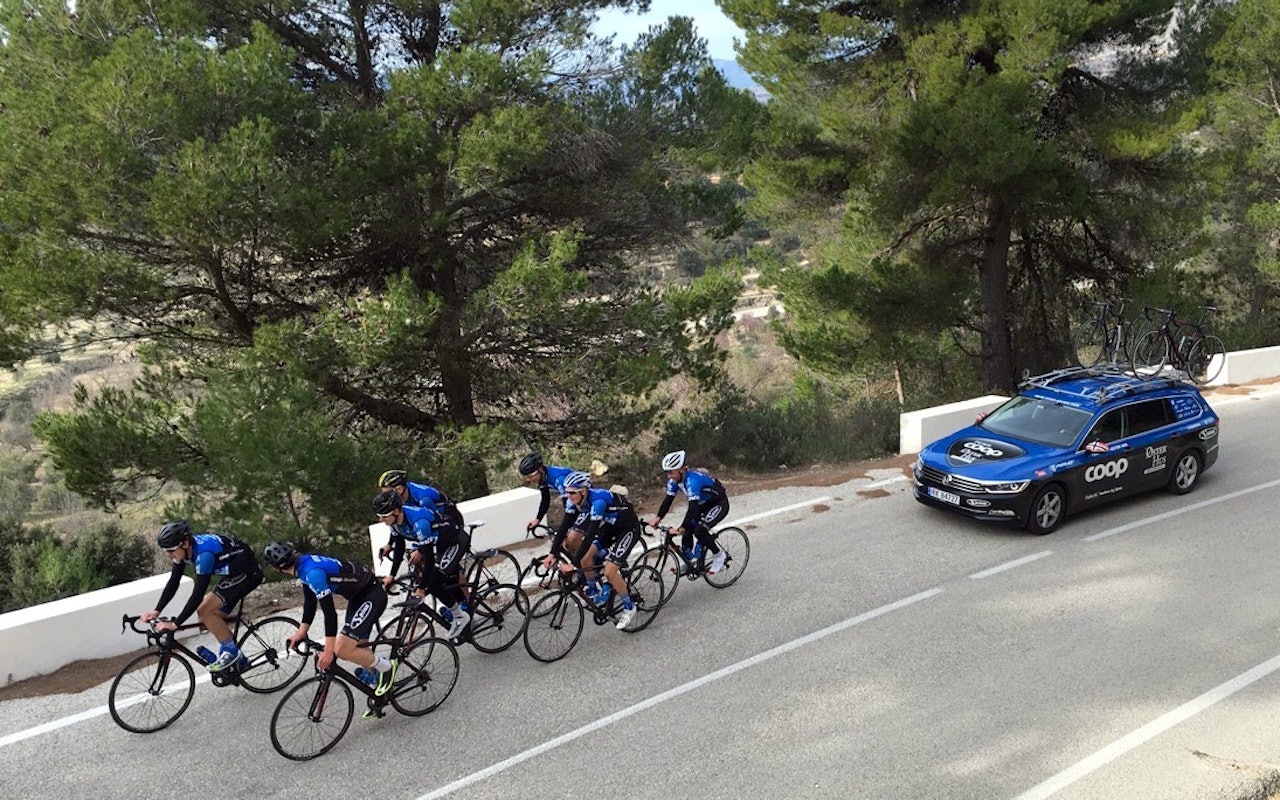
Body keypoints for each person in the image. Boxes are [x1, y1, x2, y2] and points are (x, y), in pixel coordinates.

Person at [262, 541, 398, 708]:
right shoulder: (303, 564)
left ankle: (387, 668)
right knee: (357, 646)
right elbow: (310, 602)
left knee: (342, 649)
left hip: (371, 595)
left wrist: (328, 651)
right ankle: (379, 686)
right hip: (359, 596)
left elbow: (330, 614)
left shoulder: (312, 573)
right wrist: (301, 632)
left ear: (275, 569)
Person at [140, 521, 264, 672]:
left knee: (204, 611)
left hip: (248, 574)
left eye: (171, 550)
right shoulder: (184, 550)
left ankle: (232, 652)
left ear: (185, 543)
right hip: (233, 572)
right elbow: (173, 582)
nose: (170, 555)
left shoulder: (204, 556)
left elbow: (197, 595)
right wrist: (156, 610)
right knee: (210, 617)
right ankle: (239, 661)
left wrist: (175, 624)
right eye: (167, 551)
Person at [542, 471, 640, 630]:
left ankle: (629, 607)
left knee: (609, 571)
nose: (568, 496)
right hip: (610, 527)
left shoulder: (598, 502)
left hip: (628, 529)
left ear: (583, 491)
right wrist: (552, 553)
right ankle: (593, 591)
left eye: (572, 493)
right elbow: (564, 526)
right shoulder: (574, 501)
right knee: (585, 558)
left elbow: (588, 536)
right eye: (567, 492)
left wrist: (573, 565)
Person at [372, 489, 471, 639]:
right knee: (433, 580)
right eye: (379, 516)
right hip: (438, 543)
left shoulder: (419, 523)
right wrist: (391, 575)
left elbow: (429, 560)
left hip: (454, 541)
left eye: (384, 516)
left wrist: (421, 590)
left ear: (396, 511)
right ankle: (457, 606)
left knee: (437, 579)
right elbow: (399, 547)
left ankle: (461, 615)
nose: (381, 520)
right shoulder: (394, 521)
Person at [645, 450, 730, 575]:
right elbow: (667, 501)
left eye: (671, 472)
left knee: (699, 530)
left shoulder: (693, 480)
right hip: (702, 505)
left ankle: (719, 556)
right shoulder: (674, 481)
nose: (669, 476)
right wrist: (658, 518)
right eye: (667, 472)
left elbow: (692, 508)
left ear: (682, 470)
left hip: (718, 504)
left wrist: (681, 528)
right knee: (688, 529)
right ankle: (690, 560)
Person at [377, 469, 464, 528]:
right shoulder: (403, 494)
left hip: (449, 520)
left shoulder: (423, 498)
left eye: (387, 494)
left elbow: (435, 521)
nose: (386, 497)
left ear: (399, 489)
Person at [517, 452, 579, 533]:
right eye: (526, 477)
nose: (529, 480)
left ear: (540, 469)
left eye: (531, 476)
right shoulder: (543, 477)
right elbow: (545, 500)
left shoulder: (559, 479)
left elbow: (570, 507)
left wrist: (566, 529)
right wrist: (538, 519)